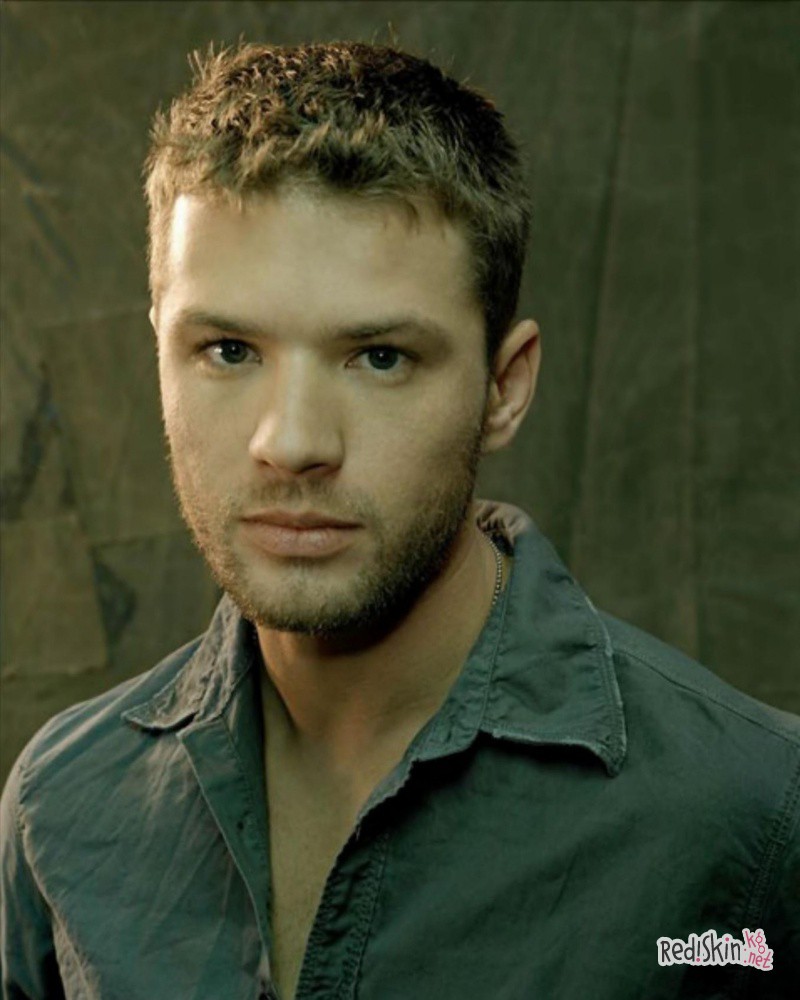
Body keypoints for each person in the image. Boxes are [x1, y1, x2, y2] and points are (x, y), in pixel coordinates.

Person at [1, 38, 797, 1000]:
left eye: (379, 357)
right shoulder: (62, 809)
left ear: (504, 387)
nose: (291, 442)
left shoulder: (753, 818)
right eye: (228, 350)